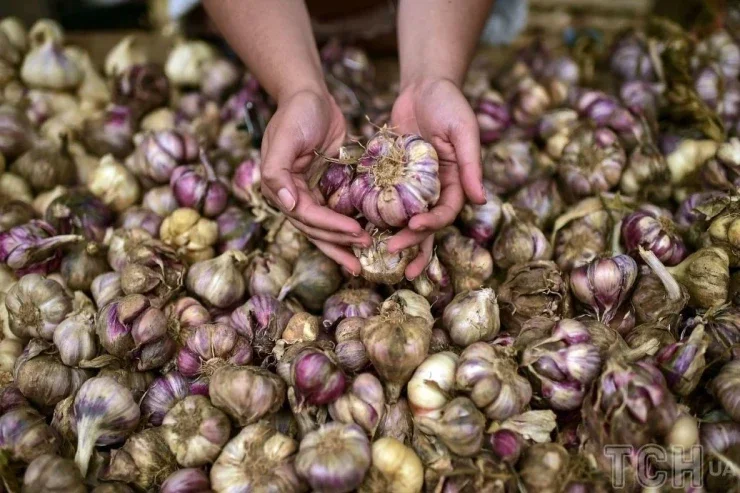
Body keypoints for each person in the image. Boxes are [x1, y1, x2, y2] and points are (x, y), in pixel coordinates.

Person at [203, 0, 495, 279]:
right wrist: (297, 88)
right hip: (259, 28)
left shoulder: (379, 166)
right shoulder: (375, 170)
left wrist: (431, 78)